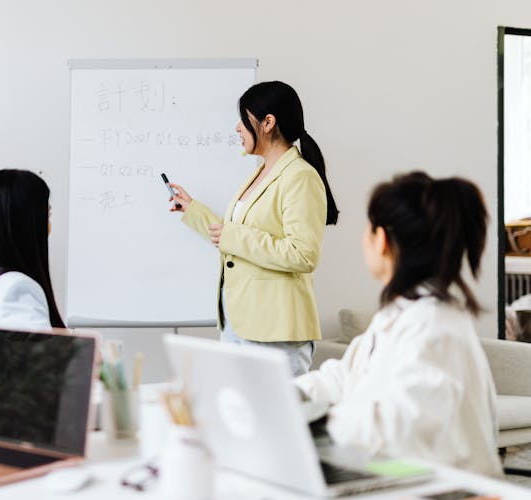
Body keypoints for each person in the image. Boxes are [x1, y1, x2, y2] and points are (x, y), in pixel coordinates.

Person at [295, 172, 502, 477]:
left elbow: (397, 426)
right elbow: (343, 378)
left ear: (381, 240)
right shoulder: (400, 315)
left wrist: (312, 419)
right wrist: (286, 394)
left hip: (445, 490)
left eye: (367, 227)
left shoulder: (434, 327)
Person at [169, 81, 338, 375]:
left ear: (268, 122)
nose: (237, 127)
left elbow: (303, 254)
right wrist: (193, 210)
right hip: (240, 324)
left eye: (243, 118)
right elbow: (234, 235)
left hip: (274, 330)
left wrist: (234, 236)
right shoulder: (260, 173)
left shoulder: (300, 176)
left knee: (275, 420)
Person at [0, 169, 65, 382]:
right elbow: (43, 370)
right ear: (26, 224)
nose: (49, 226)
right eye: (47, 215)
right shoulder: (16, 287)